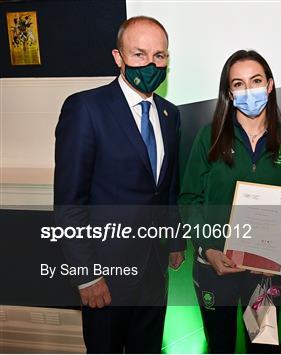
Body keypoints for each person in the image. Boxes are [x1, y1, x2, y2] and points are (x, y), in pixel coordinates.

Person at [54, 16, 185, 353]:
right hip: (105, 276)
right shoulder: (85, 108)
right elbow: (70, 203)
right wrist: (87, 275)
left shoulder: (171, 114)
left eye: (159, 56)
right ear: (118, 57)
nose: (151, 64)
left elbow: (166, 188)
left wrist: (174, 241)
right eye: (139, 54)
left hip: (155, 273)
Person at [179, 49, 281, 353]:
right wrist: (208, 249)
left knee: (262, 344)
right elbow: (189, 198)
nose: (249, 91)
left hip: (264, 275)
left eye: (256, 80)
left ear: (270, 85)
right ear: (229, 93)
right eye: (238, 84)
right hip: (214, 267)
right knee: (220, 345)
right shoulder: (209, 137)